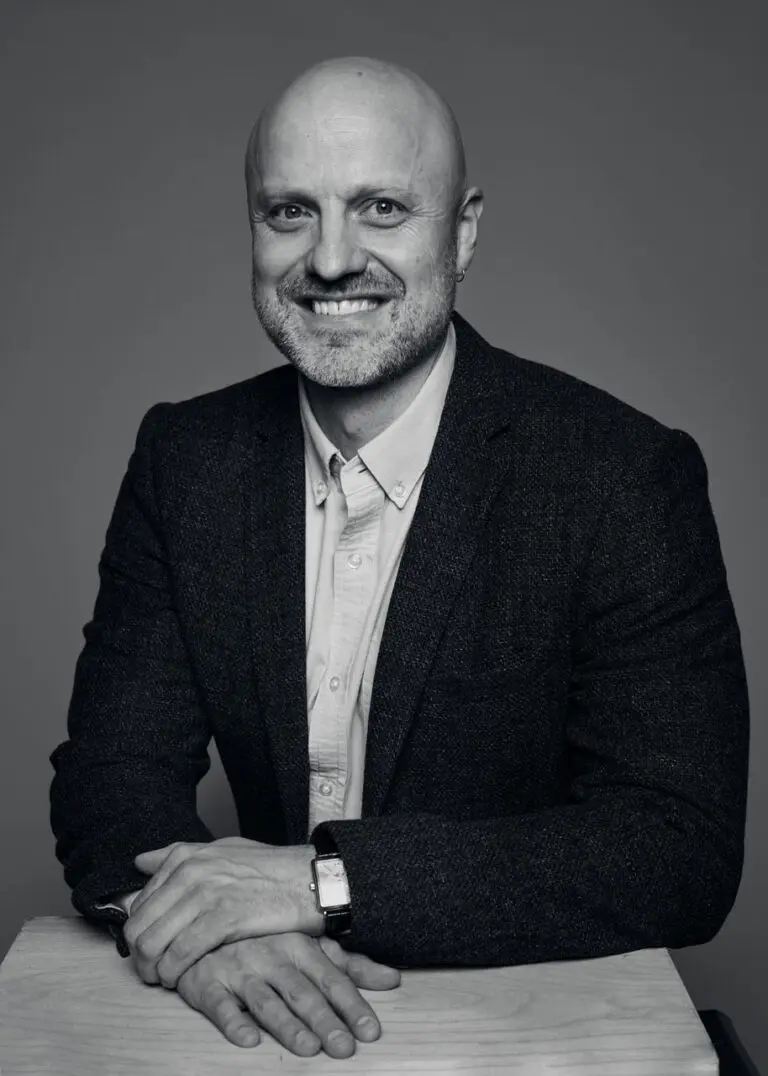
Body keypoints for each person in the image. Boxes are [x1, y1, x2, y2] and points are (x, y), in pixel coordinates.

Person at [49, 54, 750, 1061]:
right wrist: (203, 946)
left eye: (380, 207)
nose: (331, 259)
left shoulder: (620, 475)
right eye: (290, 211)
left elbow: (676, 848)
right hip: (270, 1032)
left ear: (462, 231)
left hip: (531, 1037)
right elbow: (109, 781)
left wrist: (315, 881)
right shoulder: (186, 460)